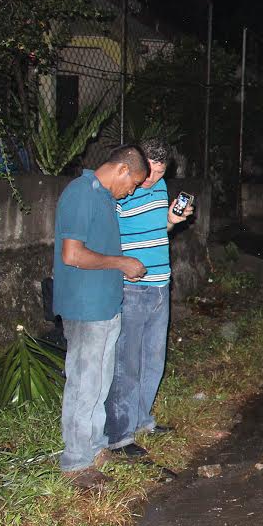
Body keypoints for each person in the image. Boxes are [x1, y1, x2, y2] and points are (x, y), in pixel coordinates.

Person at [52, 146, 149, 489]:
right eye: (134, 183)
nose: (133, 190)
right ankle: (76, 463)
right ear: (122, 169)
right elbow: (73, 254)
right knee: (84, 382)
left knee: (100, 382)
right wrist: (121, 263)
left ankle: (92, 448)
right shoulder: (81, 194)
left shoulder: (105, 199)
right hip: (85, 305)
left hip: (106, 304)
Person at [104, 139, 194, 459]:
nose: (152, 180)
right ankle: (119, 435)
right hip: (132, 287)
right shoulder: (122, 188)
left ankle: (142, 421)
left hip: (160, 285)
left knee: (153, 360)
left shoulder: (160, 186)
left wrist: (173, 219)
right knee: (125, 363)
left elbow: (160, 231)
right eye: (150, 173)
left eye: (160, 173)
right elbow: (105, 237)